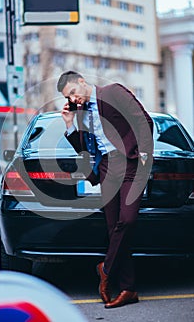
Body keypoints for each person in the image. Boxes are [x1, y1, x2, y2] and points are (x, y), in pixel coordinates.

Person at [57, 71, 154, 309]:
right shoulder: (80, 113)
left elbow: (143, 121)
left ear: (81, 81)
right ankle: (128, 289)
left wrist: (143, 156)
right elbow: (84, 148)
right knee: (113, 229)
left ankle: (106, 268)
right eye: (68, 97)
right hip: (107, 168)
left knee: (127, 220)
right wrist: (70, 125)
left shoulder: (113, 92)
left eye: (72, 92)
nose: (73, 98)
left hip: (130, 163)